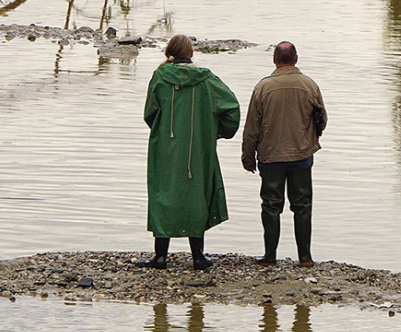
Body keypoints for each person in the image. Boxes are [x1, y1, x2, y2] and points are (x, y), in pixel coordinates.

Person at [138, 34, 240, 270]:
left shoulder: (159, 77)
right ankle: (198, 257)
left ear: (168, 53)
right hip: (198, 148)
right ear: (191, 53)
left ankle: (160, 257)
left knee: (163, 192)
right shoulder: (207, 79)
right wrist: (216, 132)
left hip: (165, 147)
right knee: (197, 193)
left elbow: (150, 113)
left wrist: (163, 131)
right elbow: (232, 108)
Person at [242, 41, 327, 268]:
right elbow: (322, 120)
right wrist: (309, 139)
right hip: (301, 156)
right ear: (296, 59)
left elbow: (252, 128)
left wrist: (248, 157)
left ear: (274, 60)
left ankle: (270, 257)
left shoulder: (262, 88)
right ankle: (305, 258)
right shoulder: (309, 85)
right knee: (302, 206)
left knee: (270, 205)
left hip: (271, 157)